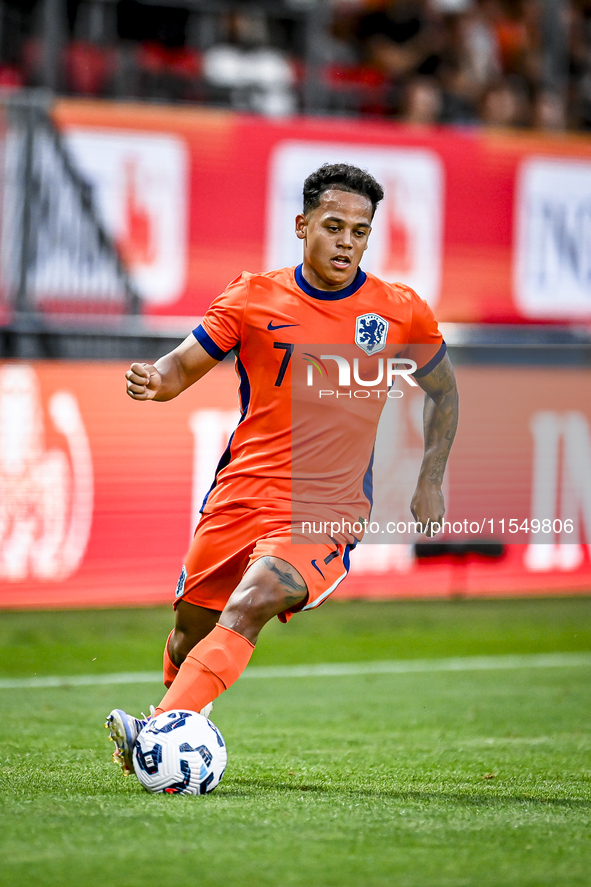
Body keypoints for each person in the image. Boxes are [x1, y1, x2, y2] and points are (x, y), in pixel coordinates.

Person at [106, 162, 459, 775]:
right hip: (239, 497)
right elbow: (182, 365)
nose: (347, 242)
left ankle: (155, 737)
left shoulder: (400, 313)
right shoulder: (253, 297)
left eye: (360, 231)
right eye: (333, 226)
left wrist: (430, 477)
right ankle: (165, 723)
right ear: (302, 226)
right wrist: (154, 379)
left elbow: (446, 393)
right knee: (191, 631)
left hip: (327, 510)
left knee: (253, 602)